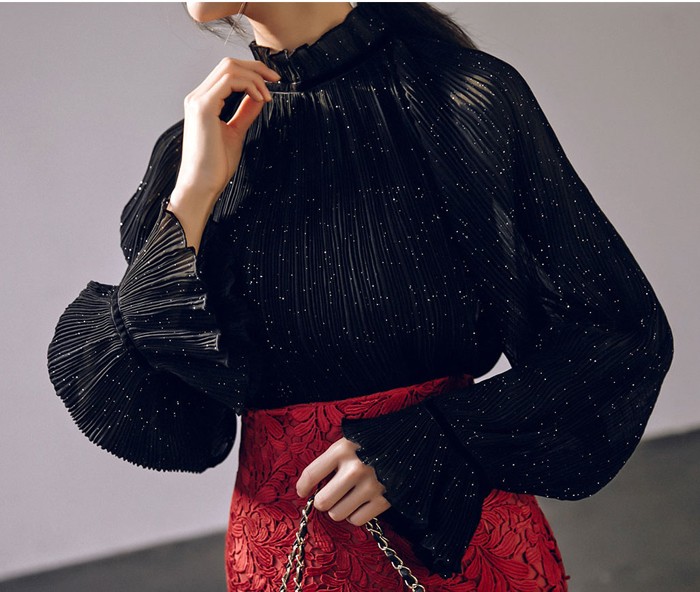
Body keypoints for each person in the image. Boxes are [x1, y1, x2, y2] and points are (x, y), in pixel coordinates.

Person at [47, 2, 674, 590]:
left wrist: (435, 440)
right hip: (286, 559)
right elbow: (161, 419)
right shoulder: (194, 148)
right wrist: (193, 192)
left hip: (454, 538)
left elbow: (619, 335)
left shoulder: (460, 97)